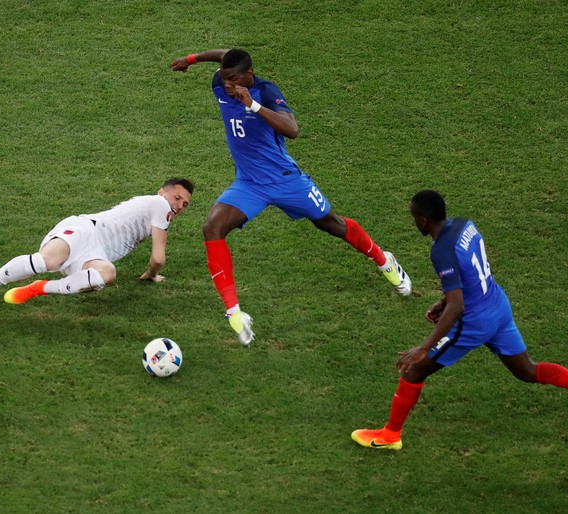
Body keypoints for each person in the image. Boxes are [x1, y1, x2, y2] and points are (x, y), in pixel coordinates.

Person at [351, 189, 568, 451]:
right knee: (527, 371)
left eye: (414, 217)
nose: (414, 222)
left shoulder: (441, 251)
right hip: (497, 305)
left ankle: (390, 436)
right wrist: (443, 300)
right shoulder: (465, 225)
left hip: (475, 321)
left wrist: (424, 346)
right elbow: (470, 273)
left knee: (414, 370)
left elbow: (457, 307)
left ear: (423, 220)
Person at [170, 48, 411, 346]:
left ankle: (384, 260)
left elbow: (292, 129)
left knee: (331, 224)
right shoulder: (219, 83)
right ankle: (234, 313)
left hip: (287, 181)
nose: (229, 85)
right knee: (212, 228)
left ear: (249, 74)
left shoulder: (266, 91)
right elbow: (225, 54)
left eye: (234, 79)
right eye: (225, 78)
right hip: (249, 185)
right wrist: (191, 60)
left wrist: (253, 104)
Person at [0, 178, 194, 322]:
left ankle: (38, 288)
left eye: (184, 204)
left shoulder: (159, 212)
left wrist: (152, 270)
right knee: (46, 262)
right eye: (177, 197)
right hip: (85, 230)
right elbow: (158, 258)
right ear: (160, 192)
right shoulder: (159, 205)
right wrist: (152, 274)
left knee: (107, 274)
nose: (179, 205)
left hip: (95, 254)